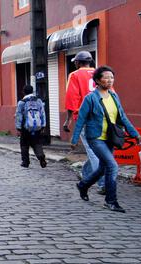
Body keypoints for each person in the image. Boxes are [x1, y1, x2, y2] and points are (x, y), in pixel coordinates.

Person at [71, 66, 141, 213]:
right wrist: (74, 139)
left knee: (103, 168)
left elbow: (122, 117)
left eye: (112, 78)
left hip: (110, 138)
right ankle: (111, 201)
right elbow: (81, 119)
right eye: (106, 77)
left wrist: (135, 134)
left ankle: (83, 185)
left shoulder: (114, 96)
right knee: (112, 165)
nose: (110, 80)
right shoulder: (90, 98)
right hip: (96, 137)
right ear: (97, 80)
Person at [63, 51, 106, 194]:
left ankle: (103, 183)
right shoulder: (102, 74)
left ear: (77, 63)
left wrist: (68, 120)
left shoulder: (75, 75)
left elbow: (72, 98)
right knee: (96, 150)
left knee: (93, 151)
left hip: (86, 119)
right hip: (103, 118)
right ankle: (86, 175)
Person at [15, 85, 47, 168]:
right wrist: (43, 125)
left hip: (26, 127)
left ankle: (25, 162)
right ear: (32, 91)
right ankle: (41, 157)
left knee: (24, 144)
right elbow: (42, 113)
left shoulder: (22, 102)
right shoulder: (39, 101)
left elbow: (19, 116)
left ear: (24, 92)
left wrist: (18, 128)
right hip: (37, 127)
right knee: (37, 143)